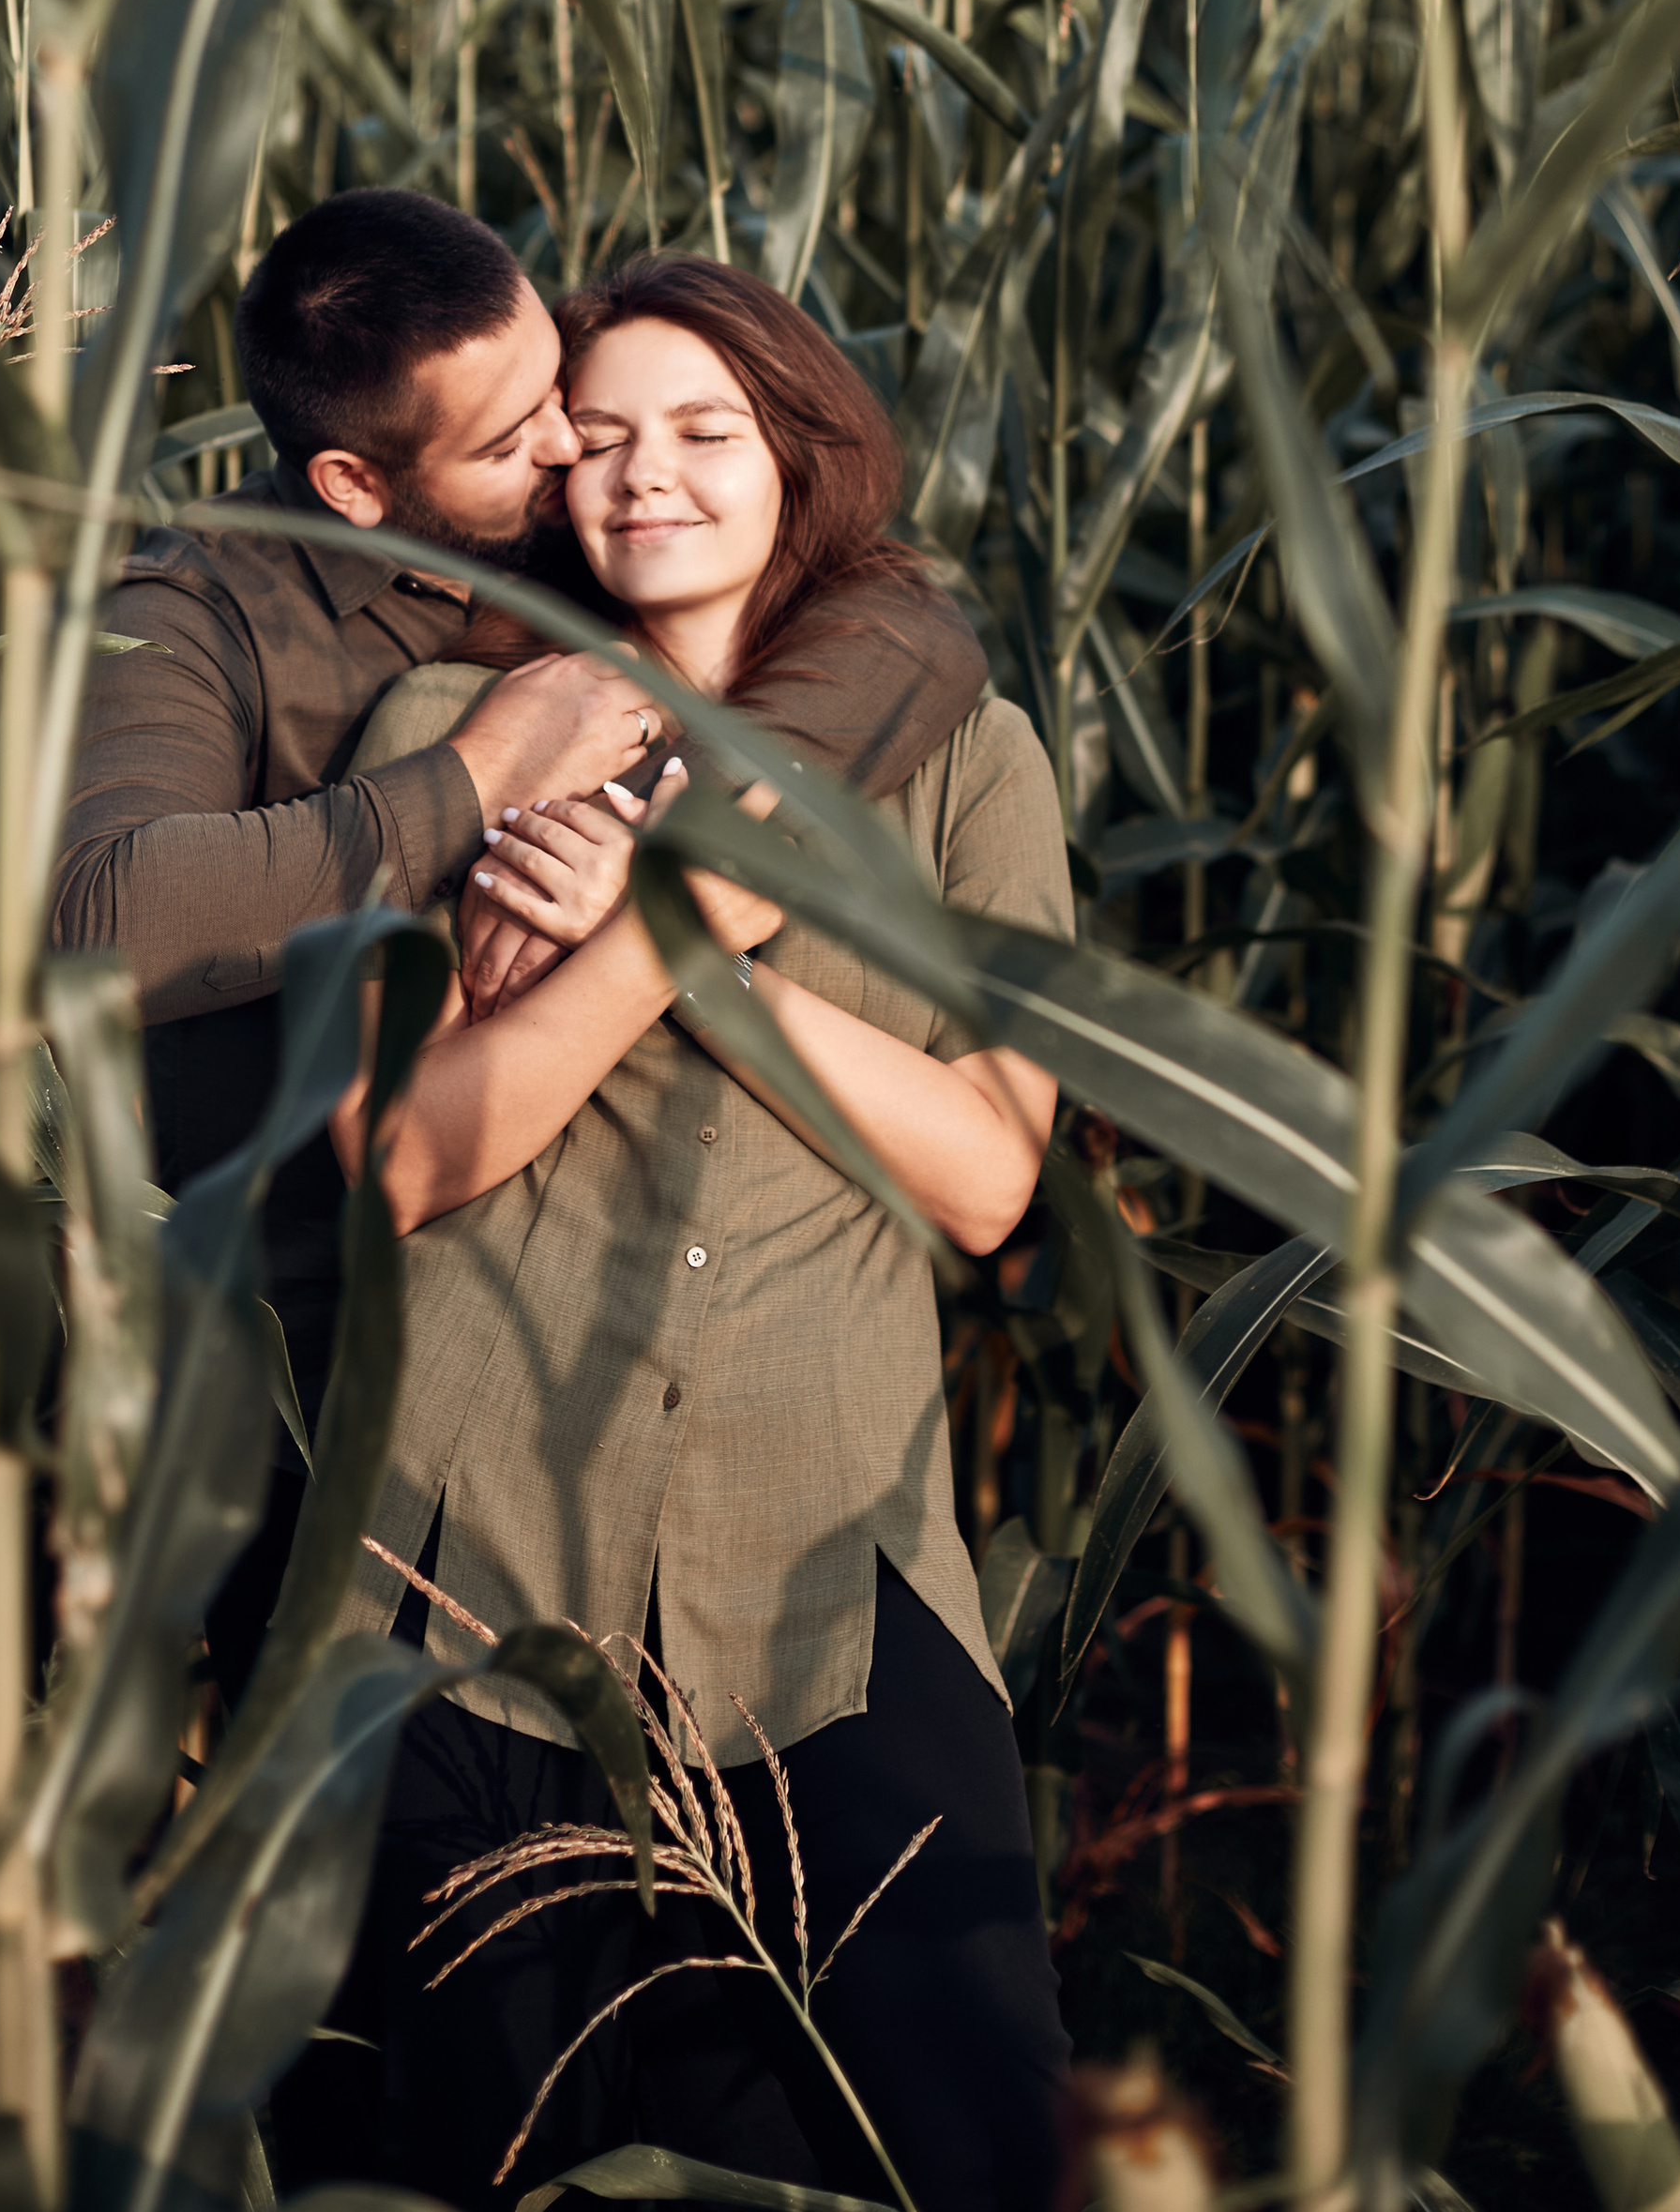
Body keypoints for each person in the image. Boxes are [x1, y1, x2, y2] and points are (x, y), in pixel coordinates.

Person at [331, 254, 1076, 2212]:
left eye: (705, 431)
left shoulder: (962, 769)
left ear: (795, 460)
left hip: (830, 1563)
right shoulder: (449, 743)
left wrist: (685, 944)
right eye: (604, 435)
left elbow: (988, 1174)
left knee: (966, 2193)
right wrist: (649, 948)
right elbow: (411, 1154)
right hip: (483, 1576)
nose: (645, 473)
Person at [50, 189, 987, 1688]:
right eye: (511, 439)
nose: (570, 450)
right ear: (357, 482)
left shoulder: (576, 520)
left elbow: (909, 632)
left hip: (568, 1363)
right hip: (283, 1353)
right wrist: (478, 776)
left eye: (555, 391)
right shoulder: (204, 607)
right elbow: (113, 918)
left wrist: (665, 853)